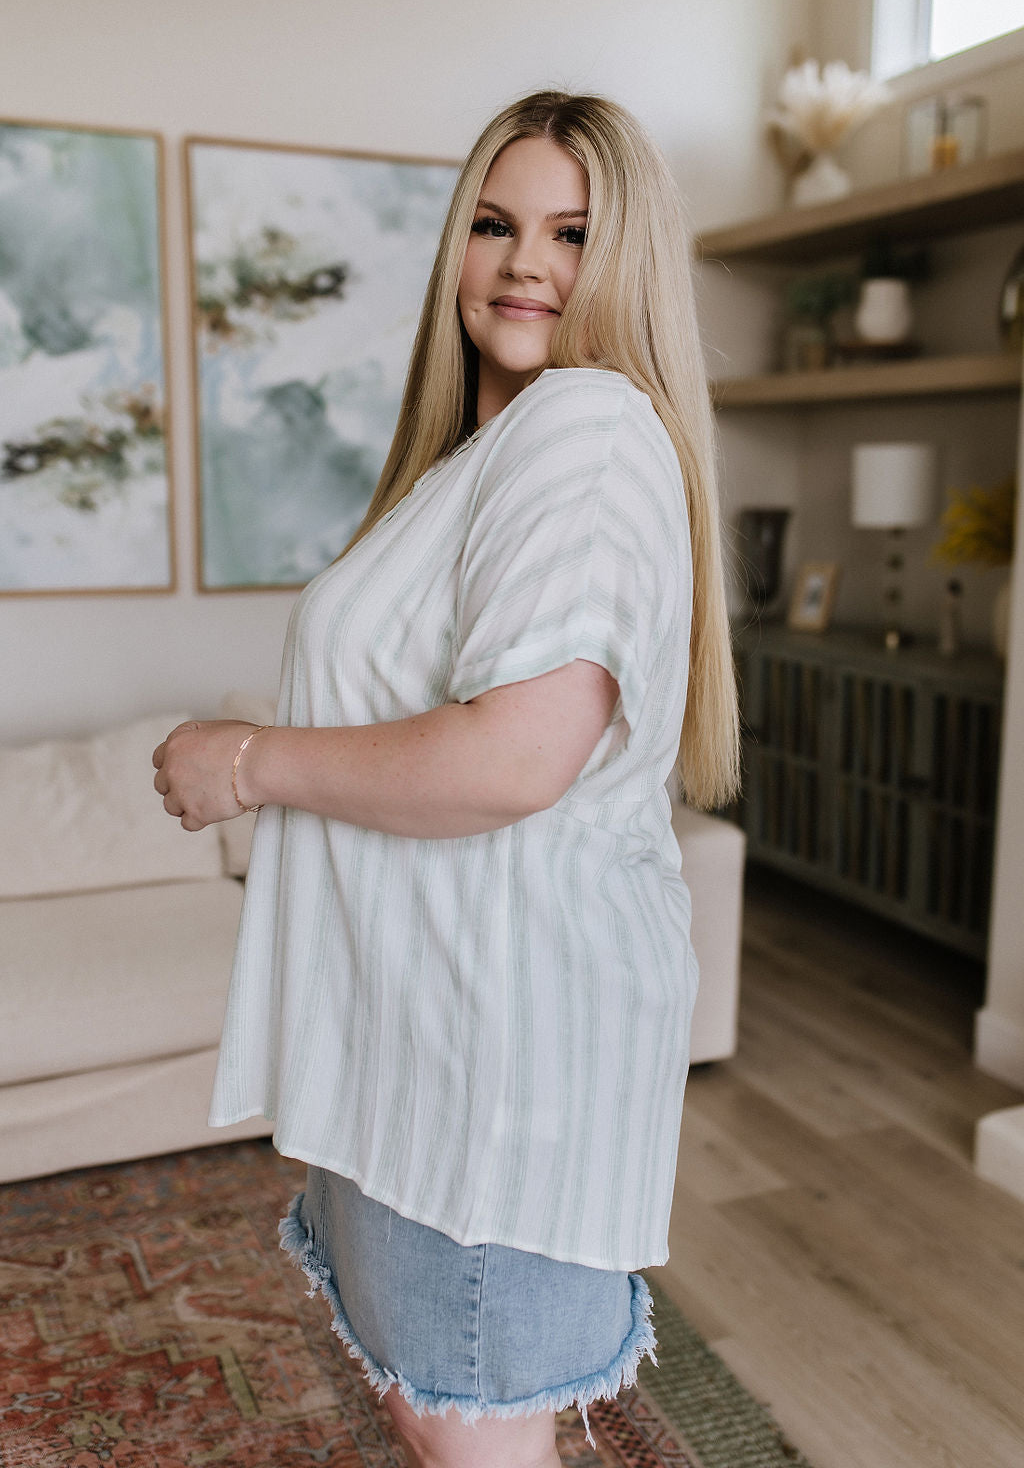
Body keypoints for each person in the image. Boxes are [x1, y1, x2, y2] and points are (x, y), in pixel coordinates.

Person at [153, 89, 739, 1468]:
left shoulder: (586, 430)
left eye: (572, 232)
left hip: (492, 1067)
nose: (525, 262)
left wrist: (246, 764)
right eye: (494, 222)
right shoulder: (482, 460)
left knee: (471, 1429)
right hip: (424, 1045)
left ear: (626, 261)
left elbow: (516, 752)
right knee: (441, 1413)